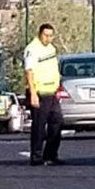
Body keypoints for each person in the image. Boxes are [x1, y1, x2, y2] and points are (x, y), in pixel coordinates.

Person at [24, 23, 64, 166]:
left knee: (57, 122)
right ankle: (36, 156)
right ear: (39, 34)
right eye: (45, 35)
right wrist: (33, 93)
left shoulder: (51, 48)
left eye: (50, 35)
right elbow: (29, 71)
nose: (48, 38)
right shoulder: (33, 49)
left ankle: (51, 154)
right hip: (40, 93)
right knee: (39, 127)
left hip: (52, 93)